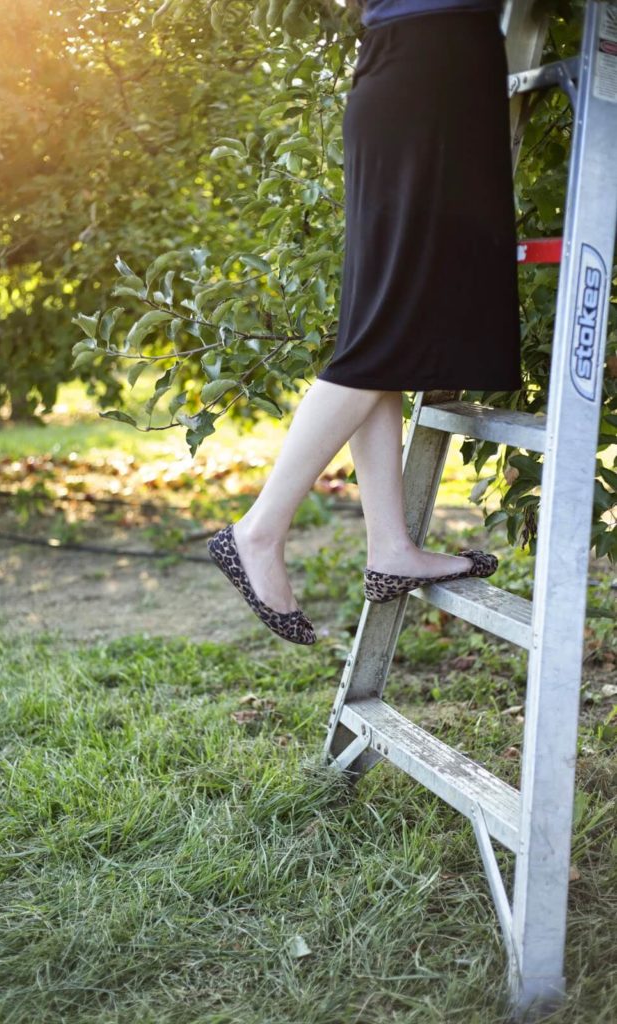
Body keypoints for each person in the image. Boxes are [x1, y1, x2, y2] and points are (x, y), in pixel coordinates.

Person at [208, 0, 520, 645]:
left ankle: (390, 547)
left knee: (380, 336)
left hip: (417, 75)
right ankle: (259, 532)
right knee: (381, 337)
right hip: (428, 78)